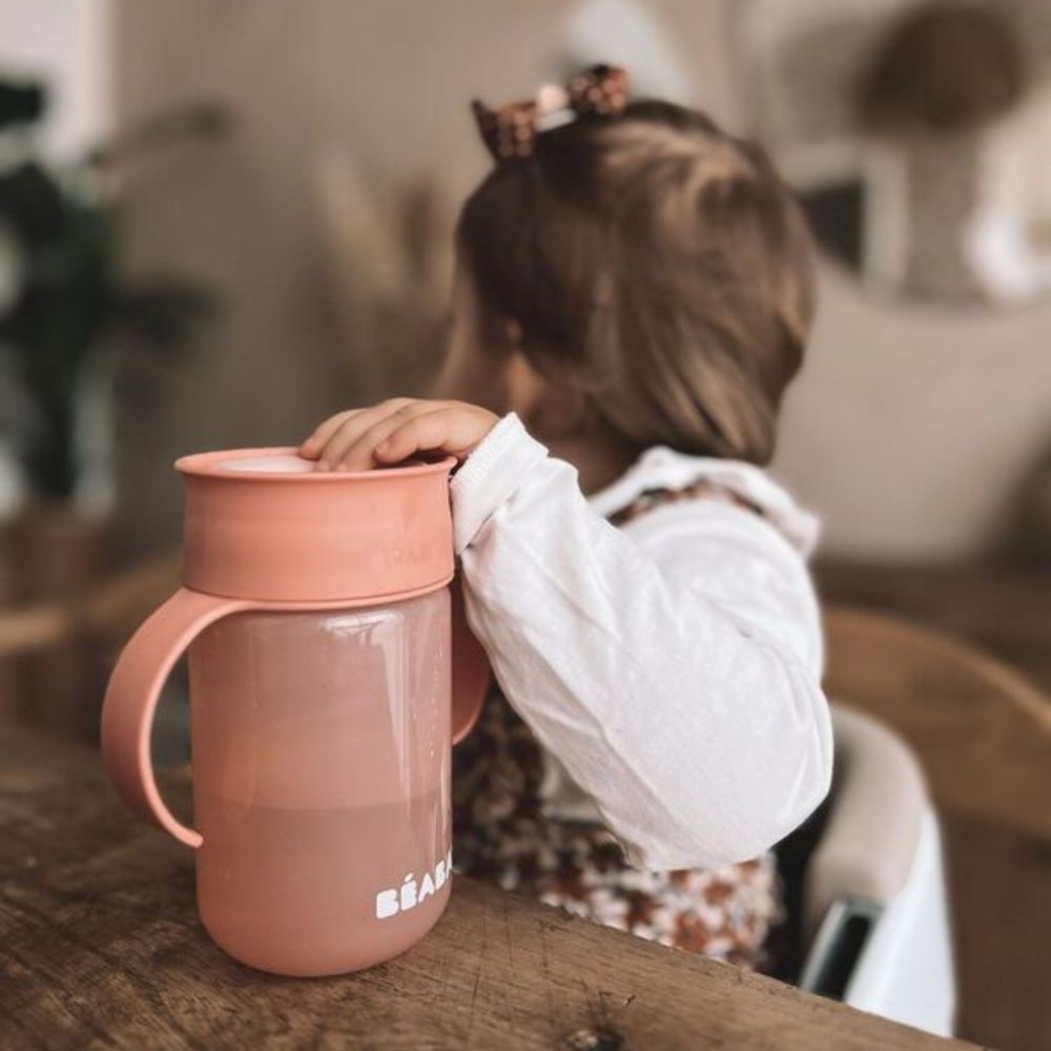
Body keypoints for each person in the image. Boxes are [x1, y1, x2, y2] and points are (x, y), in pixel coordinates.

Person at [300, 66, 832, 968]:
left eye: (453, 331)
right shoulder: (536, 517)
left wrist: (509, 495)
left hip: (633, 1001)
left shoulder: (713, 537)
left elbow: (741, 791)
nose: (441, 359)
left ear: (531, 373)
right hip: (462, 952)